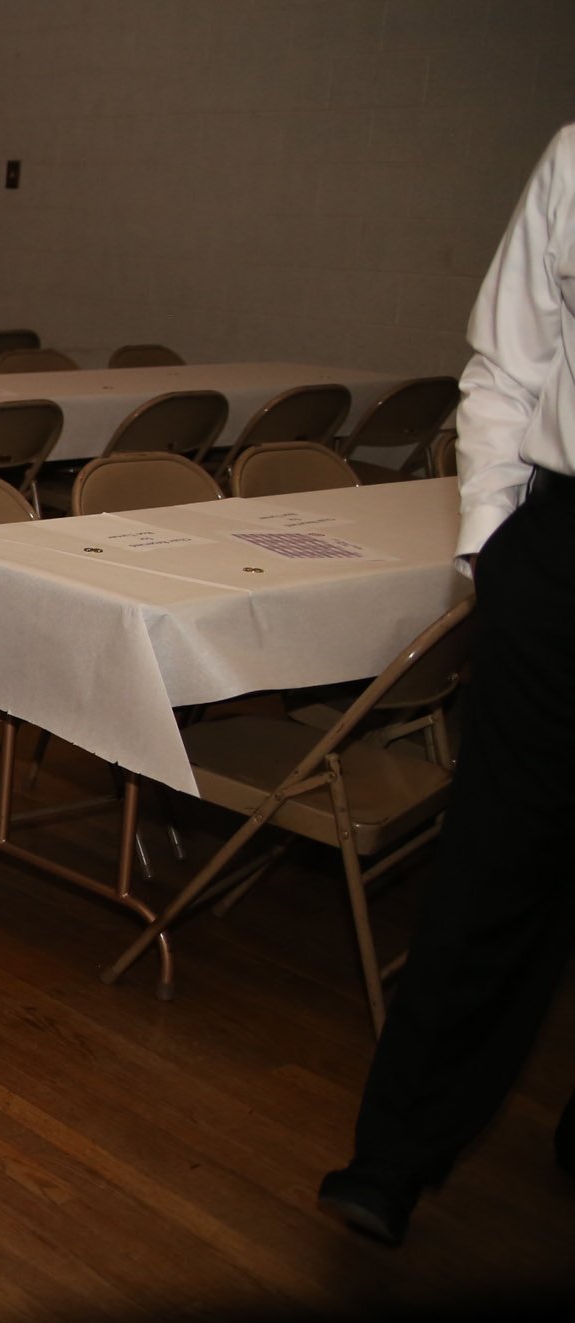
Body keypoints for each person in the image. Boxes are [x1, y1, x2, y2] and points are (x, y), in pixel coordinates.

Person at [318, 121, 575, 1244]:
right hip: (561, 545)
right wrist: (490, 543)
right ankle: (395, 1154)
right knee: (495, 857)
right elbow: (510, 363)